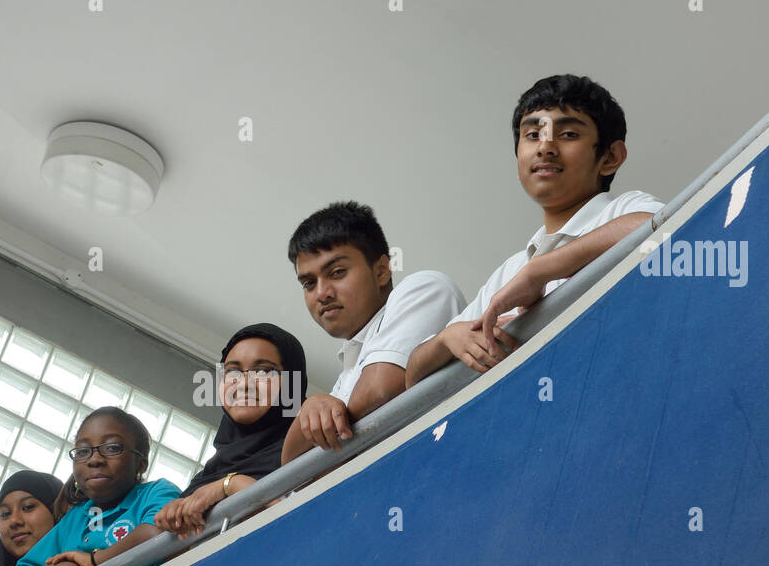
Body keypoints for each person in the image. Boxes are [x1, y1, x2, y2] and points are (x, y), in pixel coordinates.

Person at [406, 75, 664, 385]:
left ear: (609, 157)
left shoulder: (625, 209)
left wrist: (538, 272)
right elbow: (412, 378)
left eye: (568, 134)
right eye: (531, 134)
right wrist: (447, 338)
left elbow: (667, 233)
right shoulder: (509, 271)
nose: (545, 147)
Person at [281, 201, 465, 463]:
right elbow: (288, 464)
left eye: (337, 272)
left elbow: (381, 392)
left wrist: (317, 433)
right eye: (309, 283)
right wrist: (312, 407)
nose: (321, 293)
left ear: (380, 271)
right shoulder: (347, 374)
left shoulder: (424, 287)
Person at [10, 407, 180, 566]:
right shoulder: (75, 518)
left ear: (141, 464)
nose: (94, 459)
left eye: (111, 447)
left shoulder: (156, 492)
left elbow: (158, 531)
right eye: (82, 451)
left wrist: (93, 560)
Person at [155, 323, 307, 539]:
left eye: (263, 371)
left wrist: (232, 485)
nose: (244, 384)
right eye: (232, 372)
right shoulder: (208, 476)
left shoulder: (310, 443)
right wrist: (171, 519)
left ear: (293, 381)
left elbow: (299, 529)